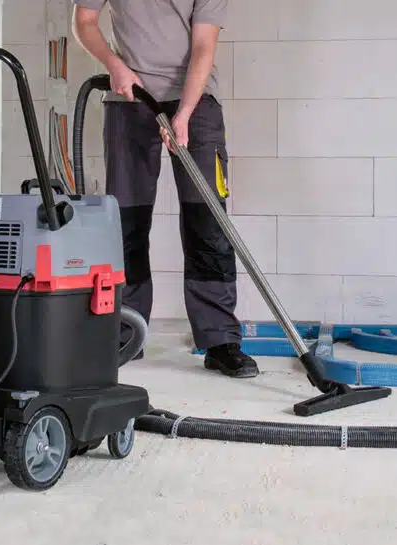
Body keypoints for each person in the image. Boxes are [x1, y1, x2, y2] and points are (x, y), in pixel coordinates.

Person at [72, 0, 259, 378]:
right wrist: (114, 65)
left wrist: (184, 113)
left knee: (208, 222)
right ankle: (126, 331)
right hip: (129, 98)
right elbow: (84, 21)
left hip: (196, 100)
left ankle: (220, 340)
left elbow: (204, 45)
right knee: (126, 223)